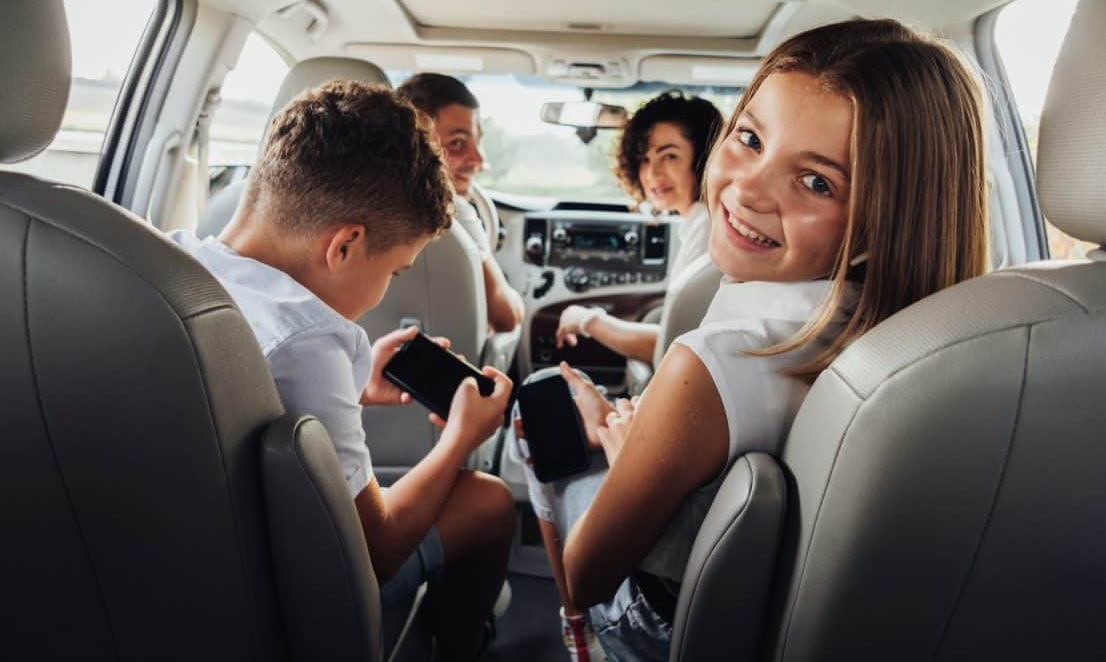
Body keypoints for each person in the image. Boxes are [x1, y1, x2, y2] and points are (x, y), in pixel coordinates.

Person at [523, 19, 990, 660]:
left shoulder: (709, 365)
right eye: (749, 138)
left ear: (887, 219)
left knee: (543, 407)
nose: (748, 188)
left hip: (666, 624)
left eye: (817, 181)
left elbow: (586, 576)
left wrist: (622, 446)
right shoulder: (935, 339)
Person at [173, 80, 514, 661]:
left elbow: (232, 409)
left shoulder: (174, 266)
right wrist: (460, 438)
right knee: (489, 501)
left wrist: (354, 388)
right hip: (285, 602)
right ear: (345, 246)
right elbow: (374, 550)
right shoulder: (311, 342)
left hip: (185, 572)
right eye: (397, 271)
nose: (388, 286)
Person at [554, 92, 723, 364]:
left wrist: (587, 319)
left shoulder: (709, 229)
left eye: (669, 156)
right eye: (644, 159)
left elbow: (673, 348)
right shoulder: (700, 219)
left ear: (704, 158)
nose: (652, 173)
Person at [396, 72, 525, 333]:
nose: (479, 160)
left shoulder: (352, 201)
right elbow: (507, 316)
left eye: (477, 142)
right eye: (457, 143)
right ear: (416, 144)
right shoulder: (453, 210)